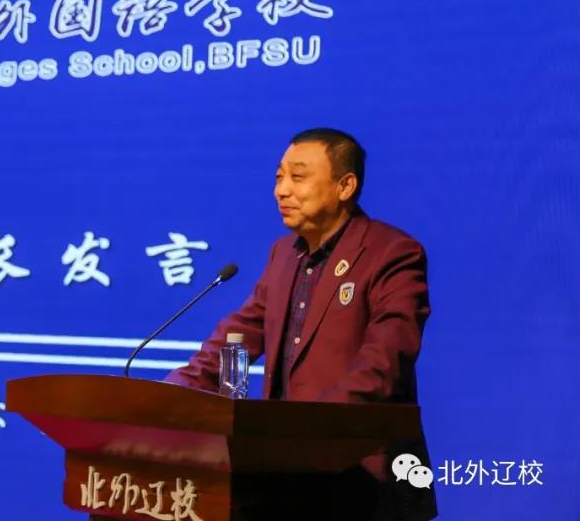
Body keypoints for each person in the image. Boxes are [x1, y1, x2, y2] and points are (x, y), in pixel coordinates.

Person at [166, 128, 436, 520]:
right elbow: (240, 334)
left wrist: (310, 430)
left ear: (345, 186)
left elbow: (384, 361)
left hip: (363, 477)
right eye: (279, 177)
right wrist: (177, 389)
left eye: (298, 176)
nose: (282, 190)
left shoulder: (392, 253)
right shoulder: (283, 254)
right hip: (284, 474)